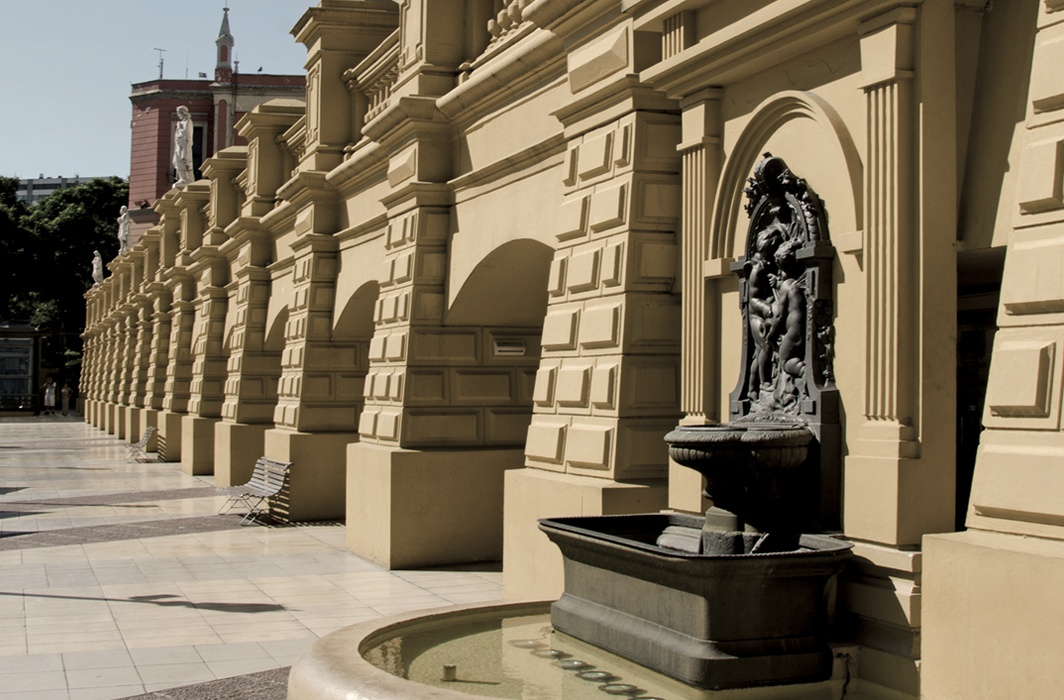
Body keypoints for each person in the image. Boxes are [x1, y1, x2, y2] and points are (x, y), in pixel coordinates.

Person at [173, 105, 194, 188]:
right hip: (179, 146)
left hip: (184, 145)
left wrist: (181, 128)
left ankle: (186, 179)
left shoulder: (188, 121)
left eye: (179, 113)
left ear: (183, 113)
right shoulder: (181, 123)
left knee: (184, 162)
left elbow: (188, 136)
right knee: (177, 162)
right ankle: (182, 178)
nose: (178, 115)